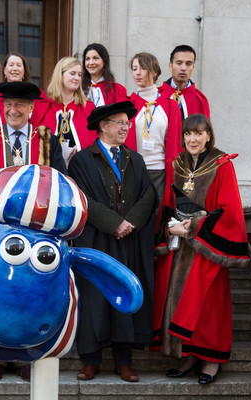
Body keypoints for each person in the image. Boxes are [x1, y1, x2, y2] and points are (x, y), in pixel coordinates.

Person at [0, 80, 68, 383]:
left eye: (20, 105)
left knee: (29, 297)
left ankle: (25, 357)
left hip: (36, 236)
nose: (13, 110)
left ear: (31, 108)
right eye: (8, 105)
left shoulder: (46, 140)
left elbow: (58, 183)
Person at [152, 114, 248, 385]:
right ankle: (190, 355)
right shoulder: (177, 165)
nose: (192, 139)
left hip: (207, 247)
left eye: (198, 133)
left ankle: (211, 361)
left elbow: (228, 210)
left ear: (208, 135)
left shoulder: (222, 165)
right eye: (188, 134)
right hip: (181, 245)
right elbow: (168, 204)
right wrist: (170, 227)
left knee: (207, 306)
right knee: (183, 302)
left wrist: (194, 227)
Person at [68, 101, 157, 383]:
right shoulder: (82, 160)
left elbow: (149, 195)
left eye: (127, 124)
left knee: (124, 295)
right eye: (120, 123)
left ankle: (124, 360)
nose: (125, 128)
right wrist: (113, 223)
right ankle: (90, 360)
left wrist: (129, 222)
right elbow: (81, 198)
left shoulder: (135, 159)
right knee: (93, 296)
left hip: (128, 242)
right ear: (103, 126)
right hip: (96, 240)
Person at [127, 52, 182, 203]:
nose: (137, 73)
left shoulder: (170, 105)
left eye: (142, 68)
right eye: (134, 68)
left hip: (160, 171)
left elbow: (176, 142)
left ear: (154, 71)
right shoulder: (128, 104)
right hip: (133, 171)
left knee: (158, 217)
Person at [39, 56, 96, 165]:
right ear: (60, 75)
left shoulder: (88, 108)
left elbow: (95, 140)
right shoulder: (44, 108)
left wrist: (80, 150)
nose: (77, 78)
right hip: (49, 171)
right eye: (72, 73)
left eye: (79, 75)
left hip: (79, 168)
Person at [157, 45, 210, 120]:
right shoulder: (157, 96)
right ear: (170, 66)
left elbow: (205, 130)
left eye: (188, 64)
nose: (183, 68)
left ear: (193, 68)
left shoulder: (200, 100)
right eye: (179, 63)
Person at [81, 43, 129, 107]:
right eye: (87, 59)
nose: (91, 62)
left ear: (104, 60)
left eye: (95, 58)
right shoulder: (78, 89)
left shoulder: (118, 90)